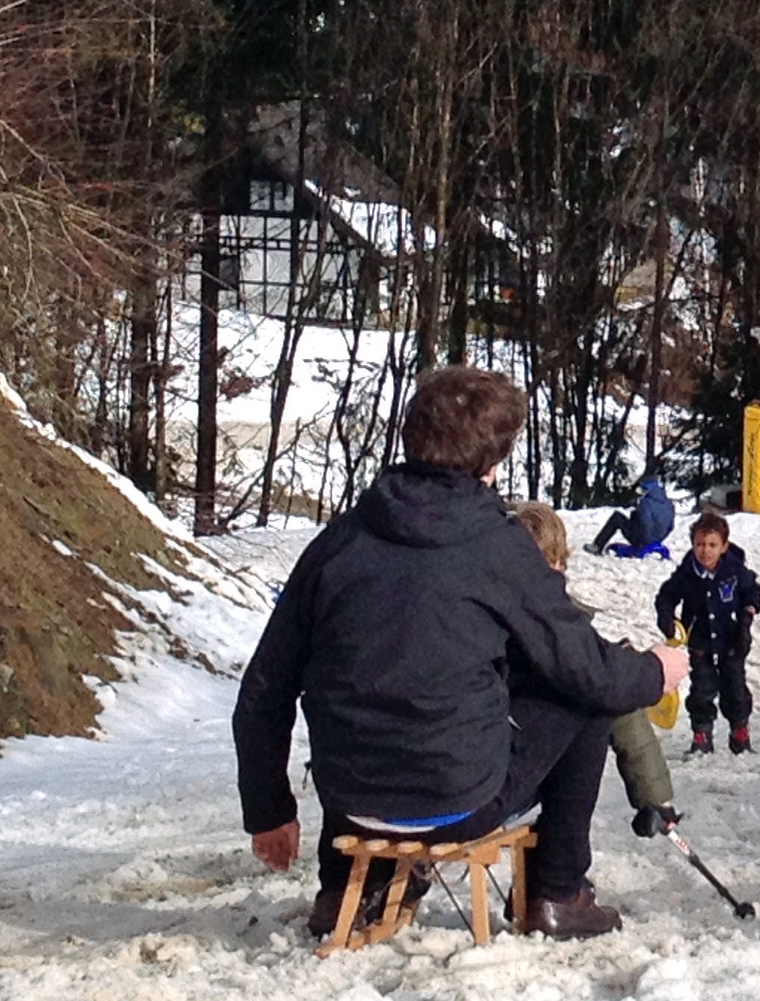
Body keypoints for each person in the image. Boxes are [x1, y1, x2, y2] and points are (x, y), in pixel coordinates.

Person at [233, 367, 681, 941]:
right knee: (586, 703)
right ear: (491, 463)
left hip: (352, 799)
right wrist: (655, 672)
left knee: (365, 690)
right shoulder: (499, 546)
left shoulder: (337, 542)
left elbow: (265, 689)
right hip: (460, 801)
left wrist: (269, 811)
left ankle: (347, 886)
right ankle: (559, 890)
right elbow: (587, 669)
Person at [511, 503, 684, 839]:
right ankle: (559, 878)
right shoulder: (553, 624)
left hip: (443, 775)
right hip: (507, 778)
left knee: (602, 681)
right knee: (596, 695)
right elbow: (608, 687)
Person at [656, 514, 760, 756]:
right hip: (700, 642)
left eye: (712, 545)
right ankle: (702, 734)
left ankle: (739, 731)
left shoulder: (734, 571)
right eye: (700, 544)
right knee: (702, 689)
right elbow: (666, 596)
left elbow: (752, 591)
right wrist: (667, 619)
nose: (705, 551)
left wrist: (748, 612)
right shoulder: (687, 574)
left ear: (724, 546)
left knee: (735, 687)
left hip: (732, 640)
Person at [589, 467, 677, 559]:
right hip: (657, 540)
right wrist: (657, 540)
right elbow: (671, 527)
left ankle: (597, 546)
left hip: (643, 539)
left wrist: (643, 540)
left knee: (617, 517)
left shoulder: (645, 502)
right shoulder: (668, 504)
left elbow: (644, 521)